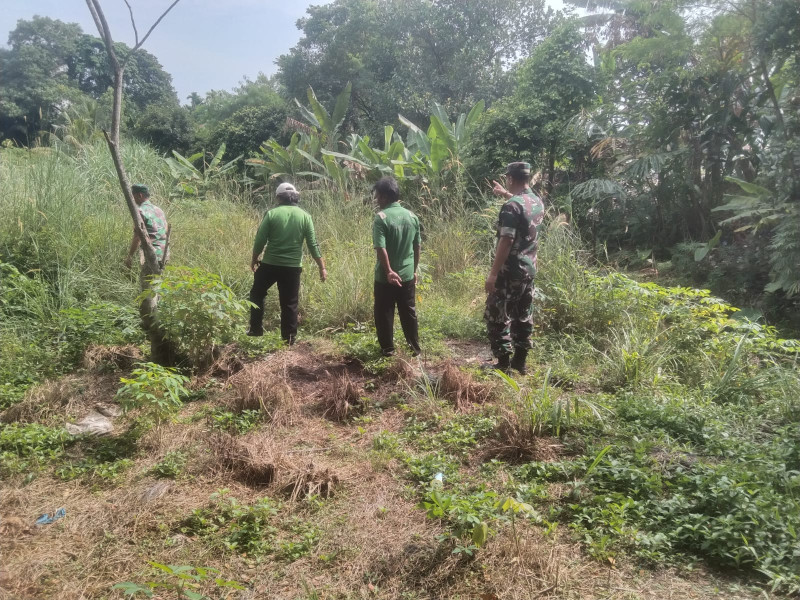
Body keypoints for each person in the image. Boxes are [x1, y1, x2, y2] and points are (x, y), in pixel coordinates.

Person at [484, 162, 545, 374]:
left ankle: (502, 365)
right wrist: (505, 193)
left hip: (509, 272)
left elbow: (506, 239)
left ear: (510, 177)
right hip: (529, 271)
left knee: (497, 315)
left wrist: (492, 275)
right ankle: (520, 363)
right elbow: (522, 207)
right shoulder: (536, 202)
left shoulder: (511, 206)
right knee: (523, 315)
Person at [248, 182, 327, 344]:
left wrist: (254, 258)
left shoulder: (271, 214)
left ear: (278, 197)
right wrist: (322, 267)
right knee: (290, 302)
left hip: (270, 264)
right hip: (292, 268)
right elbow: (313, 244)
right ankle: (289, 339)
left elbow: (260, 240)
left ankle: (256, 329)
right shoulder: (305, 216)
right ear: (296, 197)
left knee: (257, 293)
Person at [372, 176, 422, 356]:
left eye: (378, 196)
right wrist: (414, 270)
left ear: (385, 197)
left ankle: (388, 350)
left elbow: (381, 248)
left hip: (386, 277)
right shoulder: (412, 216)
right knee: (408, 312)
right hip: (407, 274)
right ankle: (414, 349)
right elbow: (417, 247)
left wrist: (389, 271)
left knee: (384, 313)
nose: (377, 200)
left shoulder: (381, 218)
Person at [124, 184, 169, 269]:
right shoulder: (159, 210)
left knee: (147, 281)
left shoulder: (140, 212)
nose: (132, 199)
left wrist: (130, 256)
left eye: (132, 196)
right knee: (159, 280)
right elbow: (166, 229)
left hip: (151, 254)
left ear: (139, 195)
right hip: (164, 253)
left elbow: (137, 237)